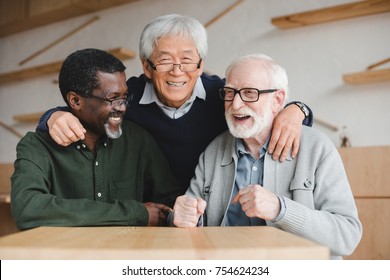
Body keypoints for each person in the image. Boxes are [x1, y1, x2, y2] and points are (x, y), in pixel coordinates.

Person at [37, 14, 313, 191]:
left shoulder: (223, 95)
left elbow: (264, 106)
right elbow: (87, 109)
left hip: (210, 211)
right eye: (165, 59)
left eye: (187, 59)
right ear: (147, 66)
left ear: (201, 64)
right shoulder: (127, 96)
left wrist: (297, 110)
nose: (177, 70)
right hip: (148, 212)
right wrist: (52, 116)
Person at [170, 54, 362, 259]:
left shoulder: (317, 147)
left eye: (250, 93)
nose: (235, 105)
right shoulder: (214, 151)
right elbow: (187, 221)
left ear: (277, 100)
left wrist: (281, 209)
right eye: (230, 93)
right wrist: (180, 217)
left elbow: (347, 236)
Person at [11, 48, 181, 230]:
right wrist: (135, 213)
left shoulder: (138, 140)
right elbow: (28, 209)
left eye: (124, 98)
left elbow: (170, 204)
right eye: (113, 99)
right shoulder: (36, 146)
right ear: (76, 101)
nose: (122, 108)